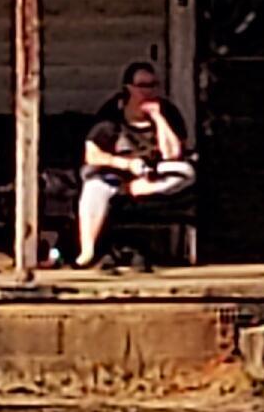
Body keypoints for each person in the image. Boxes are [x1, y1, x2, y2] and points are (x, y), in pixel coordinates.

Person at [76, 63, 195, 268]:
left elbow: (173, 155)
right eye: (143, 86)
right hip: (118, 174)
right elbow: (92, 154)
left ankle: (141, 189)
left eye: (153, 85)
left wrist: (158, 118)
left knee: (187, 172)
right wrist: (125, 164)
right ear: (129, 88)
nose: (148, 91)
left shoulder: (168, 112)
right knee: (93, 184)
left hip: (155, 174)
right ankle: (87, 249)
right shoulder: (112, 115)